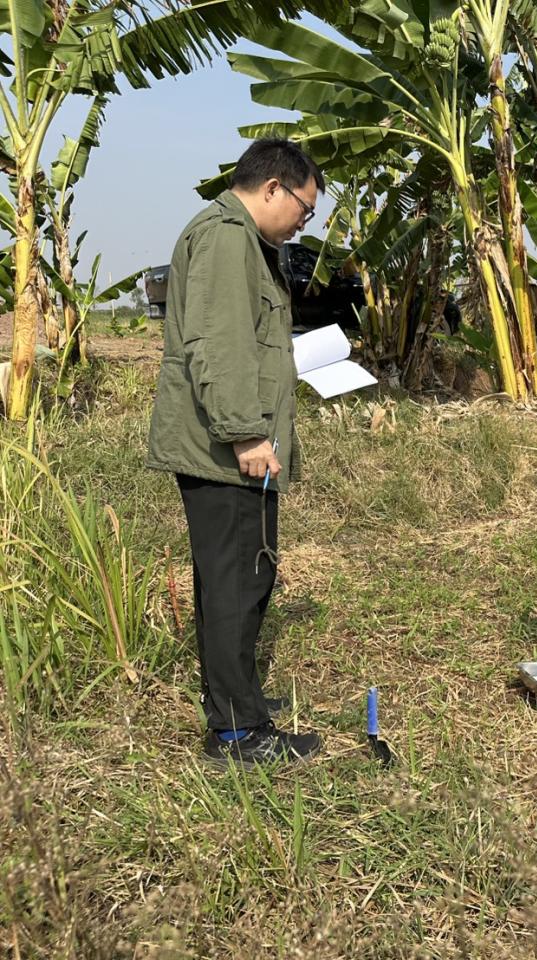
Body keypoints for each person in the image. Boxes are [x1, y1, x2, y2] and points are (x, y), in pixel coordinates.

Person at [146, 139, 325, 766]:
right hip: (225, 448)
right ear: (272, 187)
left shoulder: (249, 243)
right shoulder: (225, 236)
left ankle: (237, 695)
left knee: (249, 574)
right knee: (232, 581)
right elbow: (217, 345)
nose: (305, 220)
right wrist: (246, 432)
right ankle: (235, 732)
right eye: (304, 206)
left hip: (238, 444)